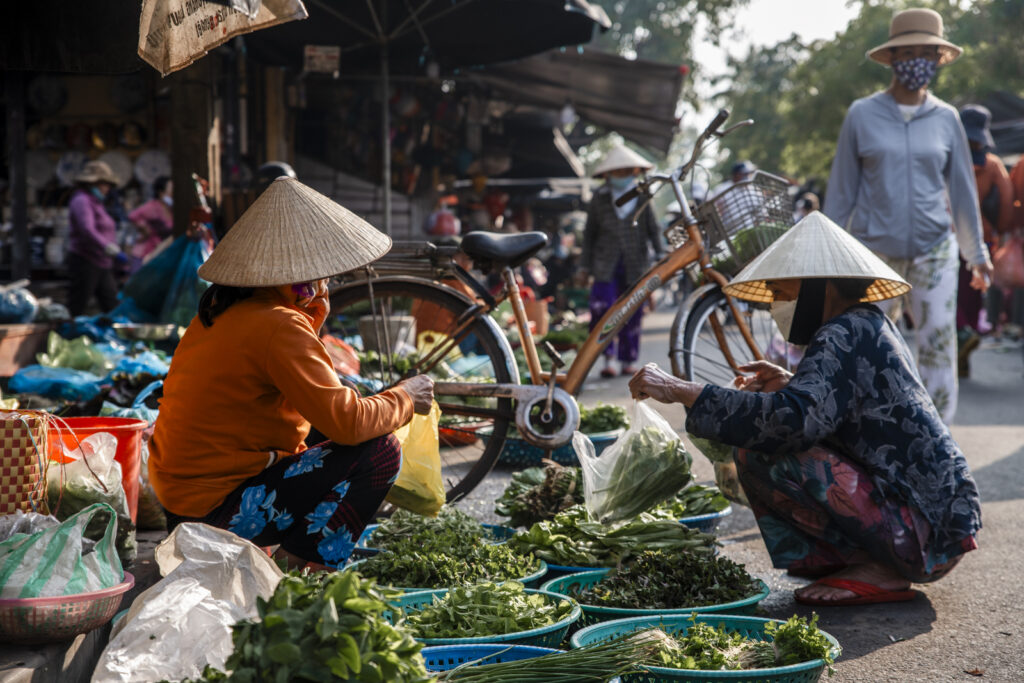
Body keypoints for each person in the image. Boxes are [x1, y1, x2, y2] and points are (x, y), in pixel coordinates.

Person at [629, 212, 980, 606]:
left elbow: (791, 423)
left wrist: (683, 390)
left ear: (821, 287)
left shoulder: (843, 331)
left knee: (760, 450)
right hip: (934, 527)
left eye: (783, 292)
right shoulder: (864, 324)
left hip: (922, 534)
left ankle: (880, 568)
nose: (778, 305)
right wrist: (788, 382)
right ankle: (863, 561)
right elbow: (838, 409)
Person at [149, 177, 435, 571]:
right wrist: (406, 396)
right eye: (321, 275)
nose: (327, 282)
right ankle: (300, 572)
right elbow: (349, 425)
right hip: (215, 516)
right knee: (380, 451)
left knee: (343, 397)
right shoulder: (278, 325)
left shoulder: (223, 311)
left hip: (182, 506)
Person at [823, 7, 993, 423]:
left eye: (927, 53)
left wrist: (977, 255)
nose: (918, 60)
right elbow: (842, 193)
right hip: (873, 253)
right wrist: (822, 258)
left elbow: (962, 193)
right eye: (908, 51)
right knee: (873, 346)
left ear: (938, 60)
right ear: (893, 58)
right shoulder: (862, 115)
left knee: (938, 343)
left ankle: (938, 440)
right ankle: (877, 435)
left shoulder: (947, 118)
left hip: (933, 249)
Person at [579, 145, 664, 378]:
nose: (622, 176)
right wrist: (584, 267)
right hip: (605, 264)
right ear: (608, 175)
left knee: (633, 312)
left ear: (634, 171)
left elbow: (653, 230)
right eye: (617, 172)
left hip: (635, 264)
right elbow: (589, 235)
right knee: (602, 310)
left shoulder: (643, 196)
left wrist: (660, 258)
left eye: (626, 171)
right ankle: (607, 359)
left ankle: (628, 359)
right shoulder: (600, 198)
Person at [957, 105, 1014, 376]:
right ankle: (966, 333)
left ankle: (961, 334)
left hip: (949, 236)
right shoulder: (992, 165)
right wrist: (1001, 230)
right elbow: (1006, 201)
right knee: (972, 293)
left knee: (952, 295)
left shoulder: (949, 158)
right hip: (982, 239)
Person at [66, 160, 123, 316]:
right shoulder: (81, 200)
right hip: (85, 260)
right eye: (104, 184)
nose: (107, 188)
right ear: (94, 183)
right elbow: (87, 229)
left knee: (112, 303)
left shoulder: (96, 202)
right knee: (78, 305)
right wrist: (107, 247)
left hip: (101, 262)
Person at [127, 176, 174, 267]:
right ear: (161, 192)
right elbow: (133, 216)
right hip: (146, 254)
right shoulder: (153, 207)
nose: (173, 193)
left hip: (161, 254)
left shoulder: (171, 210)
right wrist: (144, 229)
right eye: (171, 189)